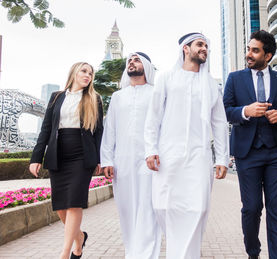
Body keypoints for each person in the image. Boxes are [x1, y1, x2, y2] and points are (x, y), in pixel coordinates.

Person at [144, 32, 229, 259]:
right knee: (165, 208)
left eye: (206, 46)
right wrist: (150, 149)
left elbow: (219, 123)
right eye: (200, 44)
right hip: (168, 155)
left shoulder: (211, 84)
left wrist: (222, 158)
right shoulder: (166, 77)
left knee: (198, 209)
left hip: (199, 157)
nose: (204, 49)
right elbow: (153, 117)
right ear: (185, 48)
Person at [223, 30, 277, 259]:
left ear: (268, 55)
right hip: (247, 152)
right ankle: (253, 252)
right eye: (248, 49)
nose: (249, 54)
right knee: (251, 208)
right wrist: (246, 111)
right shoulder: (234, 78)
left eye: (255, 50)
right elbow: (225, 111)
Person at [29, 62, 103, 259]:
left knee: (74, 204)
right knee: (60, 206)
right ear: (74, 73)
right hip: (58, 154)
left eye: (90, 73)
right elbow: (46, 129)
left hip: (81, 155)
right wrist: (36, 157)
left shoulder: (94, 99)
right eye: (84, 71)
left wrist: (99, 159)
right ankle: (80, 237)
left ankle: (65, 253)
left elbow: (98, 132)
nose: (88, 75)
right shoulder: (57, 97)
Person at [100, 52, 161, 259]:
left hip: (149, 159)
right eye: (130, 61)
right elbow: (110, 130)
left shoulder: (156, 93)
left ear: (146, 65)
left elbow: (163, 126)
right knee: (126, 208)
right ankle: (131, 252)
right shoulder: (118, 96)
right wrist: (107, 159)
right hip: (122, 160)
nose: (132, 63)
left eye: (136, 60)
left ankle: (146, 254)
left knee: (147, 207)